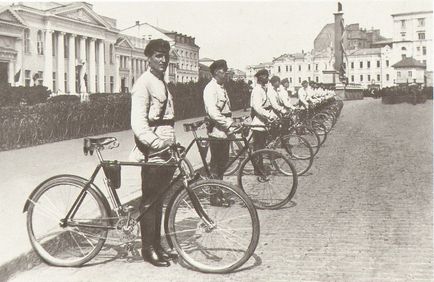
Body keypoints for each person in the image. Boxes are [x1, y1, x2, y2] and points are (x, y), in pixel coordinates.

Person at [130, 38, 177, 267]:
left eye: (165, 55)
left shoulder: (161, 82)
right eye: (158, 55)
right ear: (148, 58)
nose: (164, 59)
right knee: (149, 201)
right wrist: (158, 144)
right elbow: (139, 125)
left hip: (166, 150)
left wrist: (170, 145)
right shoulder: (143, 83)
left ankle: (157, 245)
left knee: (159, 200)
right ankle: (148, 249)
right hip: (153, 151)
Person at [203, 59, 239, 181]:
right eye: (224, 71)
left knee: (223, 164)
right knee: (216, 164)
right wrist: (229, 123)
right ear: (216, 72)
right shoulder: (210, 88)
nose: (226, 74)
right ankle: (214, 196)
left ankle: (219, 191)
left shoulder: (221, 88)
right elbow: (213, 113)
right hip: (217, 132)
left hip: (224, 131)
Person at [250, 69, 278, 175]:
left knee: (260, 147)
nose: (267, 78)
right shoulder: (257, 90)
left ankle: (259, 168)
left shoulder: (262, 89)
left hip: (262, 123)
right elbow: (257, 107)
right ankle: (258, 169)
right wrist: (269, 115)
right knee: (258, 149)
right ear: (260, 77)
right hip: (258, 124)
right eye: (265, 76)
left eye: (267, 76)